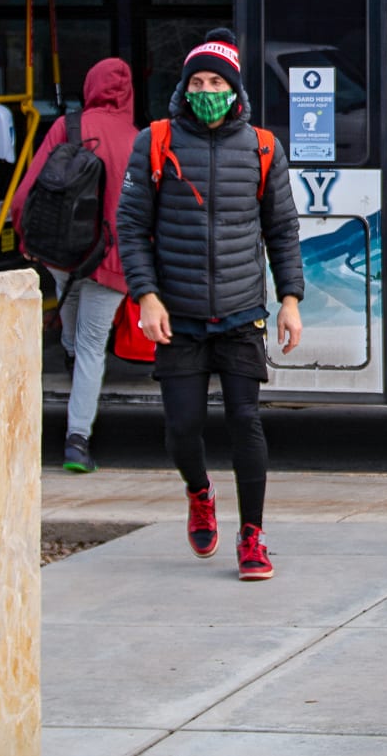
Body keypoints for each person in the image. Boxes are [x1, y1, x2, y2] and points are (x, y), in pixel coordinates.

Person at [116, 28, 304, 581]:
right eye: (196, 81)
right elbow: (130, 227)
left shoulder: (263, 147)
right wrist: (146, 297)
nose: (206, 90)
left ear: (235, 89)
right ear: (184, 87)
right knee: (182, 428)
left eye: (216, 82)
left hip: (243, 311)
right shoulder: (155, 141)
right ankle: (199, 491)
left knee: (246, 422)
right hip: (178, 314)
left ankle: (253, 536)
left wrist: (289, 299)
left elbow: (283, 229)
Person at [12, 57, 138, 475]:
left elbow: (29, 189)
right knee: (90, 347)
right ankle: (77, 442)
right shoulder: (139, 140)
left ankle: (66, 350)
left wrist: (25, 236)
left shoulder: (68, 127)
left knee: (70, 318)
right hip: (112, 258)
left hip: (63, 253)